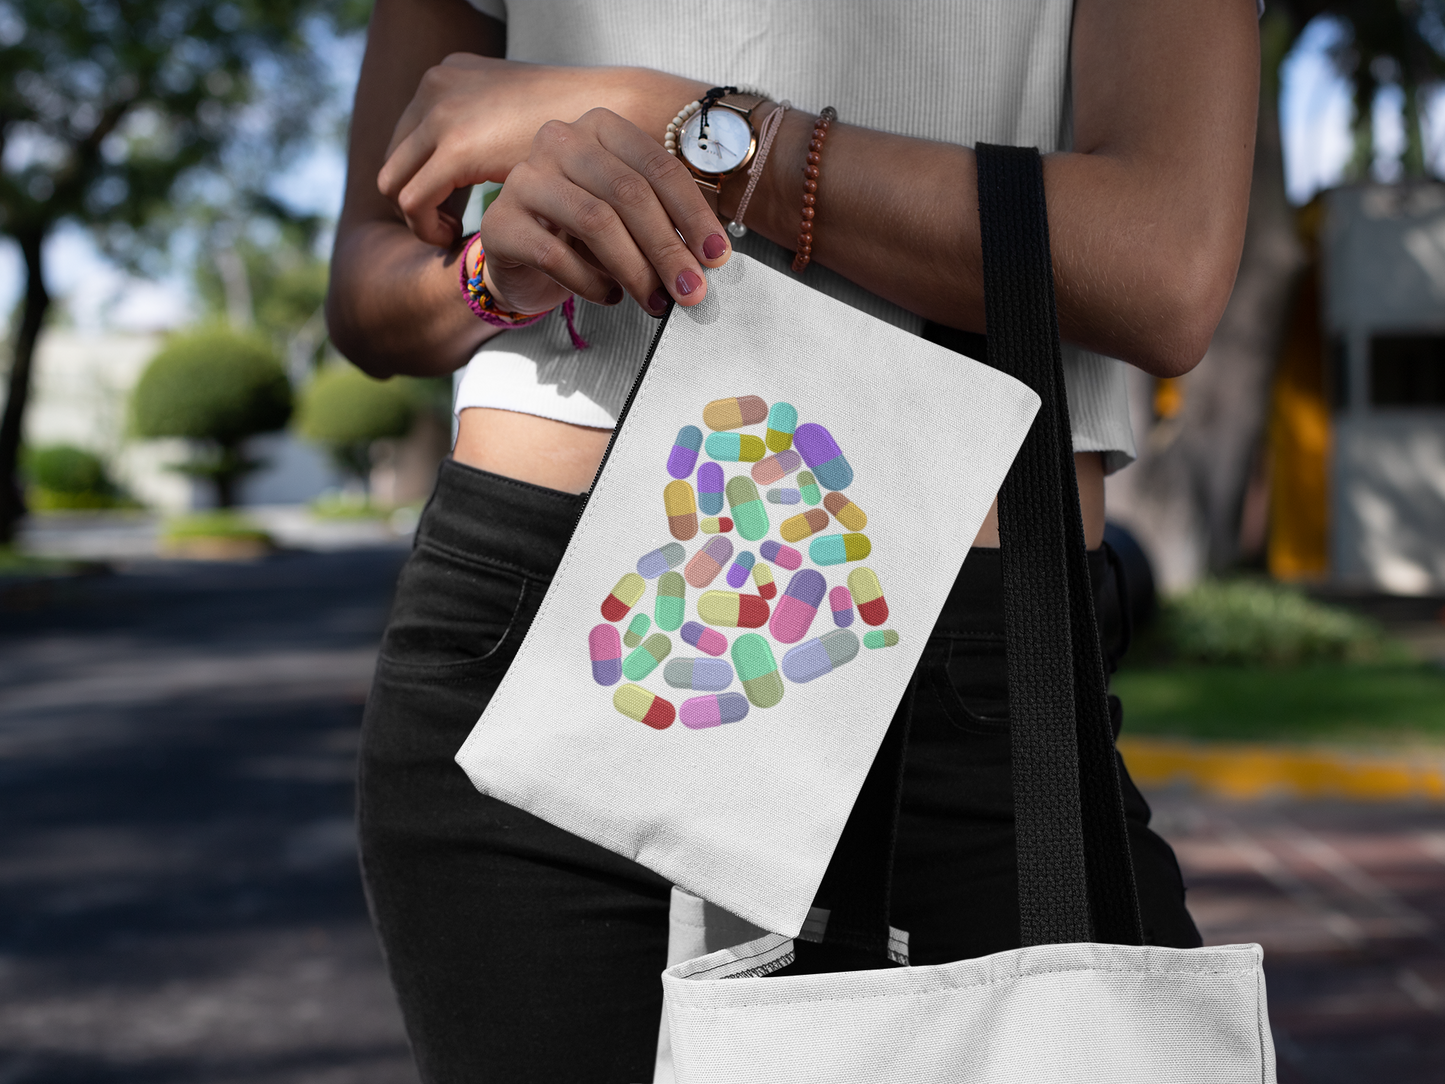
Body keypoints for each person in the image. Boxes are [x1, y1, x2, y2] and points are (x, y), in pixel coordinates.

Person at [326, 2, 1260, 1080]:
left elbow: (1162, 265)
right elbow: (367, 281)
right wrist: (490, 272)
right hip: (534, 618)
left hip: (952, 654)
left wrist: (690, 130)